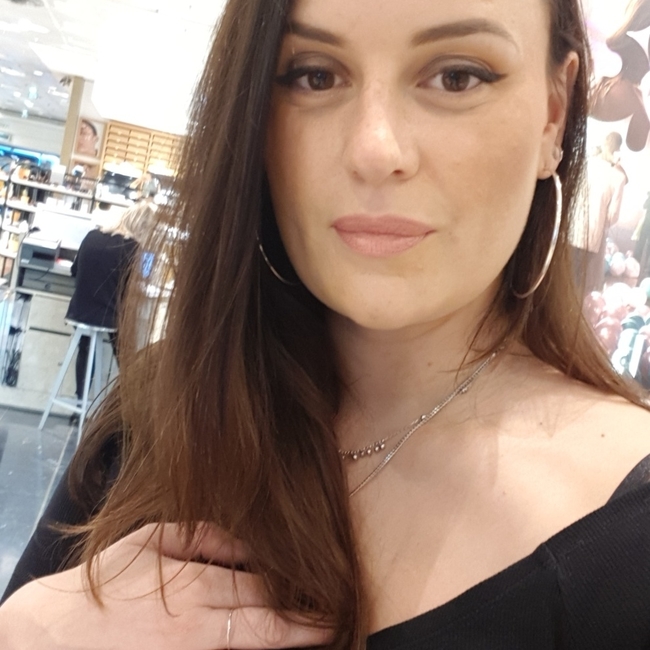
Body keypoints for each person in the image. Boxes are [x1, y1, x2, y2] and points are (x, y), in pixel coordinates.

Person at [1, 0, 650, 648]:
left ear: (553, 114)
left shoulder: (625, 540)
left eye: (457, 77)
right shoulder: (167, 406)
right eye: (314, 75)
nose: (375, 149)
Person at [66, 201, 156, 405]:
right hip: (111, 317)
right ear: (145, 229)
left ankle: (80, 402)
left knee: (85, 349)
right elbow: (144, 280)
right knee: (127, 353)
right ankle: (128, 403)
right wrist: (150, 250)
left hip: (80, 311)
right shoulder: (137, 249)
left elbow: (74, 271)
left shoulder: (91, 236)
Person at [569, 132, 628, 294]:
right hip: (592, 233)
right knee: (580, 282)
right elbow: (613, 216)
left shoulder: (586, 163)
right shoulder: (619, 177)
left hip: (571, 226)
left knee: (562, 274)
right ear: (618, 149)